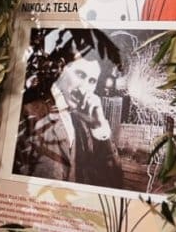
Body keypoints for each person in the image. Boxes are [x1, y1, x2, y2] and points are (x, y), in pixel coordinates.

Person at [12, 36, 122, 187]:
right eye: (80, 75)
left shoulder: (86, 125)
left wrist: (99, 126)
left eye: (91, 81)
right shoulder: (28, 113)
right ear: (62, 70)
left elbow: (114, 182)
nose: (84, 88)